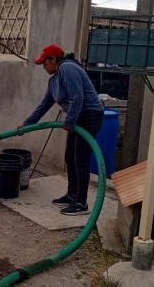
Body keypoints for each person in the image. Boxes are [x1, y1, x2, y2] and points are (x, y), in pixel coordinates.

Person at [19, 44, 104, 216]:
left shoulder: (67, 68)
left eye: (45, 63)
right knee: (70, 157)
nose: (44, 67)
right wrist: (27, 124)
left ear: (53, 60)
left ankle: (81, 203)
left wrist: (69, 121)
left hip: (90, 115)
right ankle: (72, 195)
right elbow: (44, 105)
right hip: (78, 117)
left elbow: (77, 97)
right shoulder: (54, 80)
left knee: (80, 159)